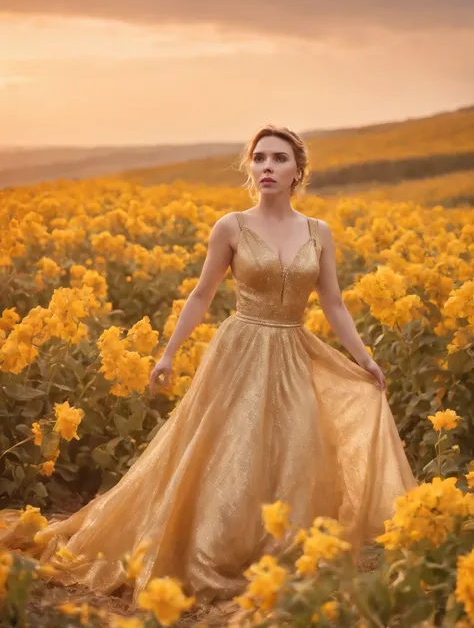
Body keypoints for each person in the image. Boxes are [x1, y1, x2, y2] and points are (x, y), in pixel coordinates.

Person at [0, 125, 417, 615]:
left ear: (297, 171)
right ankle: (210, 549)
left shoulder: (317, 232)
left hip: (293, 351)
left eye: (279, 159)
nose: (266, 167)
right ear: (249, 168)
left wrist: (365, 358)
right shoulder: (232, 227)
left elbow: (334, 303)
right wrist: (168, 354)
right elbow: (201, 294)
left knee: (294, 450)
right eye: (258, 158)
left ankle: (280, 554)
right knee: (228, 451)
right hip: (239, 351)